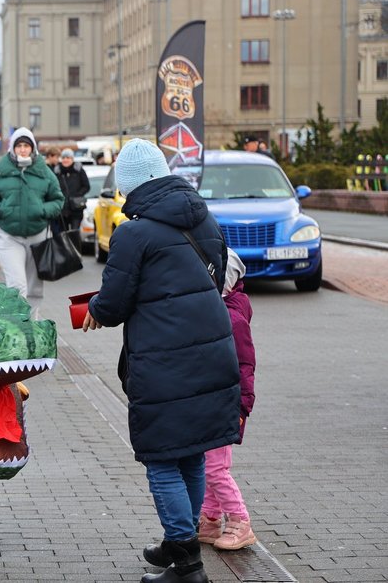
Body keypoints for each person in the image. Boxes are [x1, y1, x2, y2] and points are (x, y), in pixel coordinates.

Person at [81, 138, 240, 583]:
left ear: (132, 186)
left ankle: (188, 564)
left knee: (163, 460)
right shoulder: (204, 218)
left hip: (165, 362)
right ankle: (179, 541)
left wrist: (94, 308)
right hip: (212, 351)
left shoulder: (133, 233)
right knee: (189, 453)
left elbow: (112, 306)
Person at [199, 249, 258, 551]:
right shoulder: (215, 311)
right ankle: (210, 519)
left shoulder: (231, 319)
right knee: (208, 463)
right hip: (211, 401)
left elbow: (245, 367)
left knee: (215, 468)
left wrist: (241, 407)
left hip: (226, 405)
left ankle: (240, 520)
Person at [0, 127, 64, 316]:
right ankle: (20, 326)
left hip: (38, 235)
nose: (23, 149)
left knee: (35, 287)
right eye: (19, 145)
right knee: (17, 285)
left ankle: (33, 324)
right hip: (8, 235)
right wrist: (0, 209)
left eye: (26, 146)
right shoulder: (1, 170)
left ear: (33, 148)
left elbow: (58, 199)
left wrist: (43, 210)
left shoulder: (43, 171)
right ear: (13, 148)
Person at [54, 147, 90, 248]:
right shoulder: (57, 172)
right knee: (62, 234)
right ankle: (64, 254)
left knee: (74, 233)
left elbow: (86, 186)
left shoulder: (79, 171)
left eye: (68, 157)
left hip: (76, 208)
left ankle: (75, 253)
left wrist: (77, 195)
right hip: (62, 208)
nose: (65, 160)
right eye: (64, 157)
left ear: (72, 159)